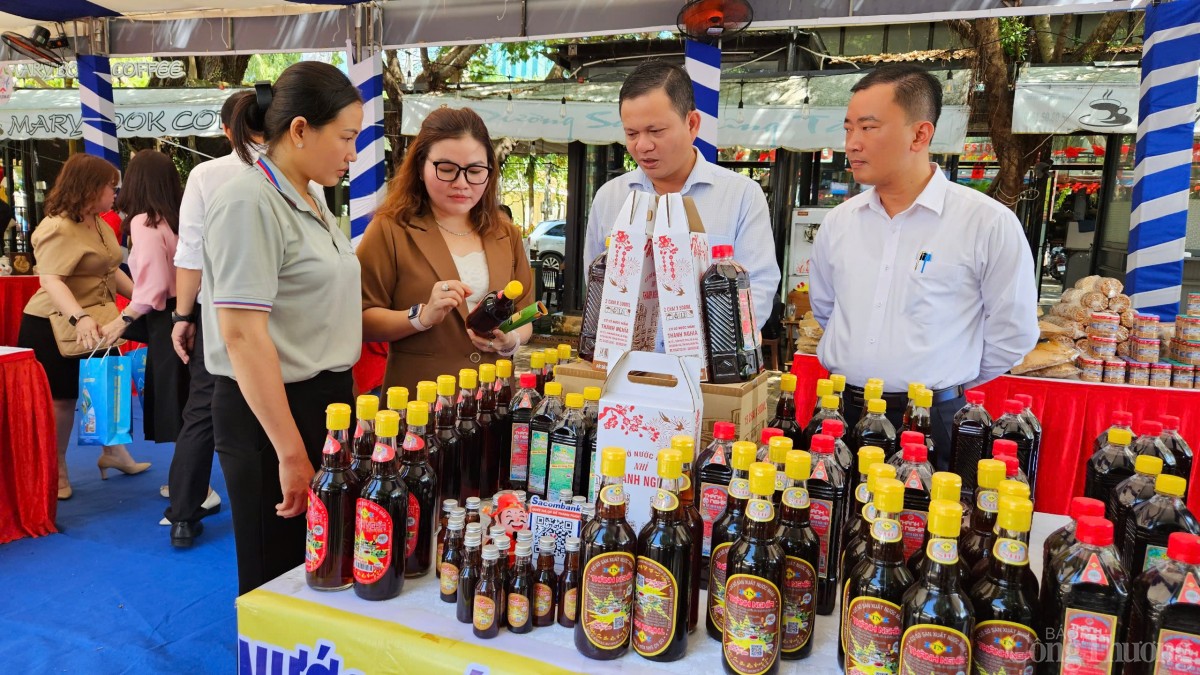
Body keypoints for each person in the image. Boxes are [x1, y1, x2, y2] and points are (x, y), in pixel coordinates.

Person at [809, 63, 1039, 470]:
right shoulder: (839, 222)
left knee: (928, 527)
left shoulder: (985, 222)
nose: (852, 143)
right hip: (840, 411)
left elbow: (1012, 334)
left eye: (868, 127)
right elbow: (827, 310)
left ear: (920, 134)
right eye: (848, 129)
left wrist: (944, 381)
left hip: (932, 420)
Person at [203, 61, 363, 593]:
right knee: (277, 570)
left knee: (319, 560)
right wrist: (290, 452)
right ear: (299, 130)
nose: (352, 153)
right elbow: (243, 335)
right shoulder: (248, 201)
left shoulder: (311, 196)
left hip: (322, 401)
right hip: (271, 413)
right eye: (346, 137)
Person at [583, 60, 779, 337]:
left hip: (708, 372)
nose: (643, 145)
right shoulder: (610, 198)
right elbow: (596, 286)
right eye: (631, 133)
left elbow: (757, 287)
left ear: (692, 124)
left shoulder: (741, 196)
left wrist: (720, 346)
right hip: (625, 367)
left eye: (656, 131)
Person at [358, 106, 535, 393]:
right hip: (417, 401)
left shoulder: (506, 234)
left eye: (475, 171)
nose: (462, 183)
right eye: (447, 170)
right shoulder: (391, 229)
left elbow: (525, 313)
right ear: (420, 166)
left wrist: (511, 340)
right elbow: (359, 318)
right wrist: (421, 317)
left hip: (492, 398)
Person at [17, 153, 150, 500]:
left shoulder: (99, 221)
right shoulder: (57, 227)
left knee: (108, 388)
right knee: (64, 401)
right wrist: (80, 318)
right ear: (90, 188)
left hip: (101, 321)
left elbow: (110, 270)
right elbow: (51, 280)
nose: (115, 193)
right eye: (111, 186)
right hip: (54, 323)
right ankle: (58, 467)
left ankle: (114, 452)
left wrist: (145, 298)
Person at [114, 150, 190, 449]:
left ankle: (188, 484)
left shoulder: (144, 222)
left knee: (173, 402)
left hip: (165, 319)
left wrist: (123, 319)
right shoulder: (180, 218)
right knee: (190, 400)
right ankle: (191, 481)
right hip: (190, 312)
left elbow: (154, 286)